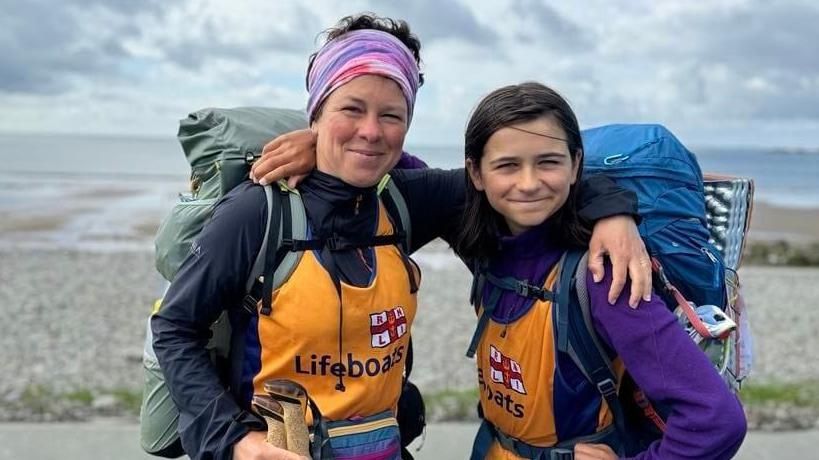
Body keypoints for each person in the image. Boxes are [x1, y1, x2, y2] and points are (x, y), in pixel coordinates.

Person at [152, 14, 650, 460]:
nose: (371, 130)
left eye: (391, 115)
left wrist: (614, 214)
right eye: (351, 109)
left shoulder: (408, 199)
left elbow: (527, 178)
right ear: (316, 113)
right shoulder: (256, 213)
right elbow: (175, 329)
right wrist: (236, 440)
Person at [453, 82, 746, 459]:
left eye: (548, 162)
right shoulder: (484, 245)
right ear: (476, 173)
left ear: (576, 165)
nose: (528, 183)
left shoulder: (604, 278)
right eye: (507, 165)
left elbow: (716, 419)